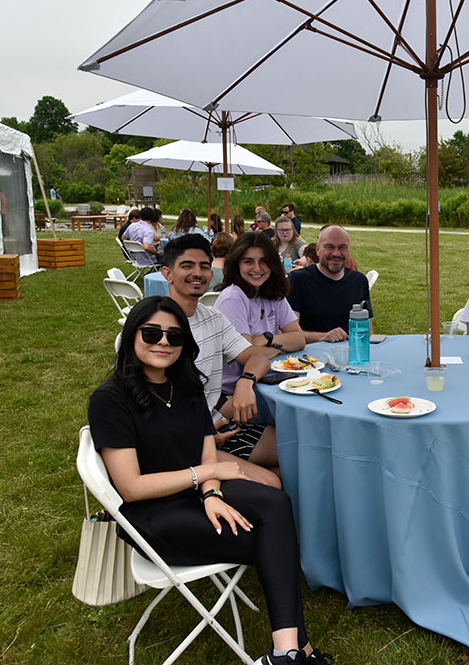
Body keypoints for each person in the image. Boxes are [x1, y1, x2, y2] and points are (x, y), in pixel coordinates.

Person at [87, 296, 328, 665]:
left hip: (194, 495)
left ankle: (288, 651)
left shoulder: (186, 387)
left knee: (276, 505)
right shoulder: (110, 399)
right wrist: (206, 476)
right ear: (132, 336)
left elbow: (205, 453)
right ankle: (295, 651)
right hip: (151, 516)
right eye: (151, 333)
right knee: (272, 539)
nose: (163, 342)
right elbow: (132, 487)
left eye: (174, 336)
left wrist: (211, 493)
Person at [160, 234, 280, 486]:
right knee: (272, 482)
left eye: (204, 266)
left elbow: (256, 356)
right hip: (180, 442)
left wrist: (245, 382)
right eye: (187, 266)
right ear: (167, 274)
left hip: (217, 427)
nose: (198, 273)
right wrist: (199, 436)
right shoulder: (151, 327)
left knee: (296, 447)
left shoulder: (213, 319)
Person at [214, 232, 305, 474]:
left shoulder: (270, 293)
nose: (257, 268)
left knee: (294, 454)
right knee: (301, 444)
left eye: (264, 261)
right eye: (248, 261)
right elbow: (250, 356)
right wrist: (273, 346)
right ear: (236, 264)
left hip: (263, 388)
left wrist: (266, 339)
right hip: (230, 403)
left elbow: (299, 338)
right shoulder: (233, 298)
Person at [287, 224, 372, 343]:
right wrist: (324, 336)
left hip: (351, 356)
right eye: (329, 247)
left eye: (342, 247)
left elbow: (368, 332)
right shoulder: (298, 279)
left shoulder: (359, 280)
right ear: (318, 250)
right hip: (310, 357)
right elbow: (290, 334)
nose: (336, 253)